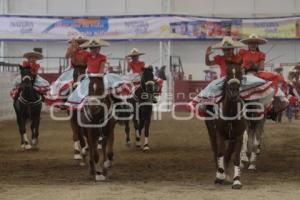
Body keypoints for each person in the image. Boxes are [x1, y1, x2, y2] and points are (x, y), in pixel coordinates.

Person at [190, 36, 275, 114]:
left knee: (255, 84)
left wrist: (247, 68)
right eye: (225, 50)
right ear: (222, 50)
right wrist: (207, 55)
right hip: (223, 79)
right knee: (211, 87)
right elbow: (208, 63)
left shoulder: (238, 58)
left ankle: (255, 106)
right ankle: (205, 105)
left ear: (233, 49)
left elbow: (243, 68)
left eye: (229, 49)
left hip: (237, 79)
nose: (227, 51)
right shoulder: (220, 58)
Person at [66, 38, 131, 109]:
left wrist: (97, 76)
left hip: (100, 76)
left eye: (95, 48)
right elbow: (73, 58)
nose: (93, 50)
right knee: (80, 89)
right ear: (90, 49)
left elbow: (101, 70)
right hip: (90, 77)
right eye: (92, 48)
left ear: (99, 48)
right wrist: (73, 48)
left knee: (111, 90)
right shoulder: (87, 55)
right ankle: (79, 107)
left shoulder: (102, 57)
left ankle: (119, 105)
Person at [45, 36, 89, 106]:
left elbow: (88, 62)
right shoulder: (72, 50)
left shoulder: (87, 53)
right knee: (64, 83)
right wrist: (73, 50)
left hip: (84, 70)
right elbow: (66, 56)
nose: (80, 44)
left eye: (82, 43)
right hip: (73, 69)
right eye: (79, 43)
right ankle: (64, 99)